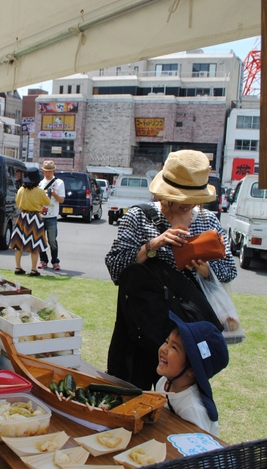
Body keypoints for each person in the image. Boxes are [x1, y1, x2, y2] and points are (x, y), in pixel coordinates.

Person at [105, 149, 236, 389]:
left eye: (194, 198)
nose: (188, 204)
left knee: (179, 405)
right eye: (181, 197)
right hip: (141, 329)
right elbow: (116, 267)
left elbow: (229, 271)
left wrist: (205, 271)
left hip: (186, 338)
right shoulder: (139, 217)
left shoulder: (208, 222)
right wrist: (153, 245)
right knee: (134, 394)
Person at [156, 311, 229, 436]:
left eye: (174, 348)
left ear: (192, 371)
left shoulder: (192, 409)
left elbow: (198, 452)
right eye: (166, 342)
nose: (163, 349)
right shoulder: (163, 382)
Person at [9, 167, 51, 276]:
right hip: (35, 218)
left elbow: (17, 203)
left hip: (22, 217)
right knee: (35, 245)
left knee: (18, 244)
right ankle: (33, 270)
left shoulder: (21, 190)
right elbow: (47, 202)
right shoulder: (40, 191)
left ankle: (18, 267)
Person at [38, 160, 65, 270]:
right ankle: (43, 260)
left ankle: (55, 261)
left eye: (50, 171)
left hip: (52, 216)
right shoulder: (40, 183)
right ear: (42, 171)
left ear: (54, 171)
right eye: (45, 171)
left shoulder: (59, 183)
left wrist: (53, 193)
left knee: (52, 240)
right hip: (41, 215)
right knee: (40, 240)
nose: (47, 173)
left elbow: (62, 200)